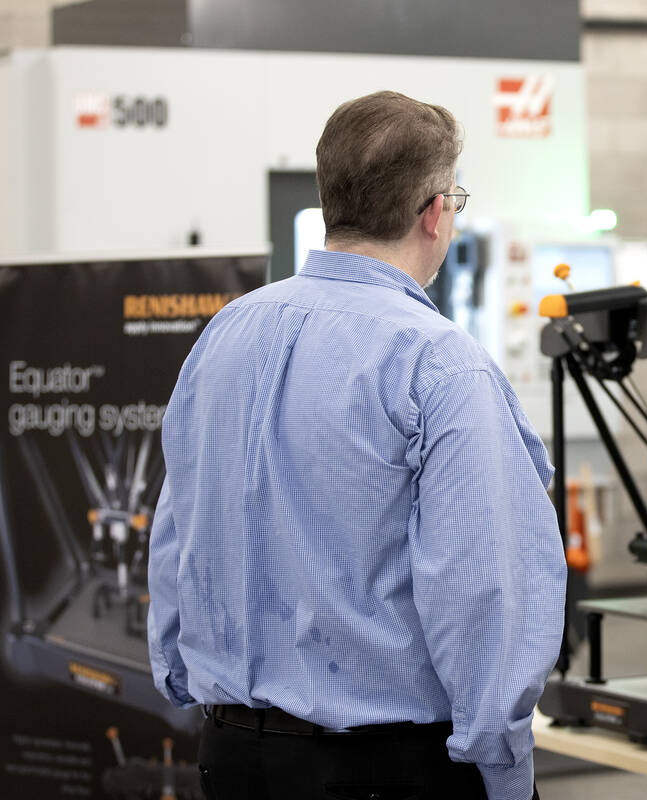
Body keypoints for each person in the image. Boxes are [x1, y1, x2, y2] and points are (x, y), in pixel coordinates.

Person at [147, 90, 565, 800]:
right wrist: (503, 766)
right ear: (434, 212)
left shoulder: (223, 337)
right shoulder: (438, 364)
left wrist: (183, 675)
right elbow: (483, 590)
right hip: (382, 772)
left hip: (231, 757)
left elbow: (176, 531)